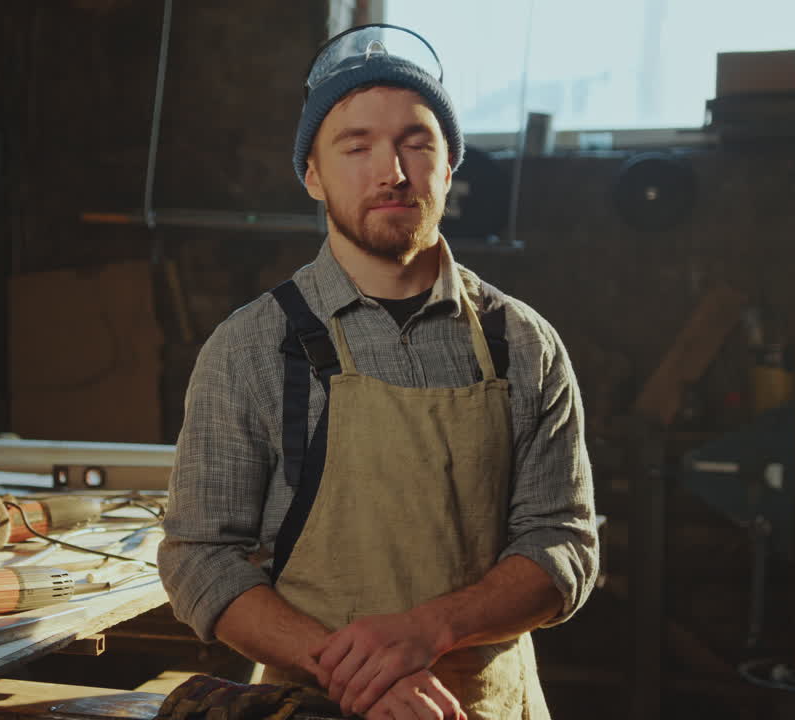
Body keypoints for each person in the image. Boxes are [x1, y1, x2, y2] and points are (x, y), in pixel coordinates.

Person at [157, 24, 598, 720]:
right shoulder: (250, 349)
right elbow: (198, 559)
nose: (391, 170)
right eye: (355, 146)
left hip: (486, 708)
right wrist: (360, 673)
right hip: (312, 705)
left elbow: (563, 545)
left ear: (450, 163)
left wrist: (429, 630)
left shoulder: (522, 343)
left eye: (416, 142)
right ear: (312, 174)